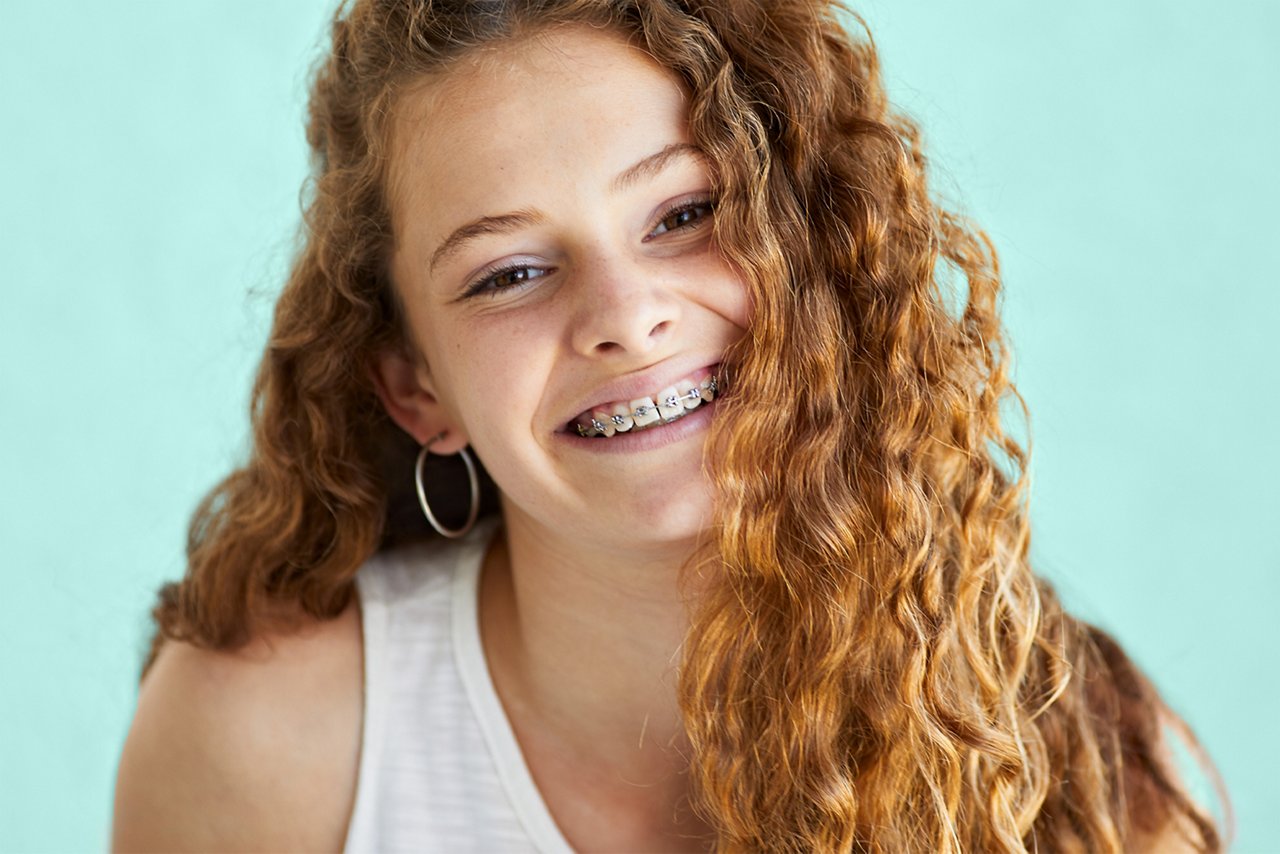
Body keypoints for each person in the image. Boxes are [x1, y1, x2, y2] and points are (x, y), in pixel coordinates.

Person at [111, 1, 1232, 851]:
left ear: (822, 253)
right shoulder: (265, 743)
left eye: (685, 214)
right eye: (507, 272)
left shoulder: (1095, 774)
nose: (624, 316)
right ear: (417, 388)